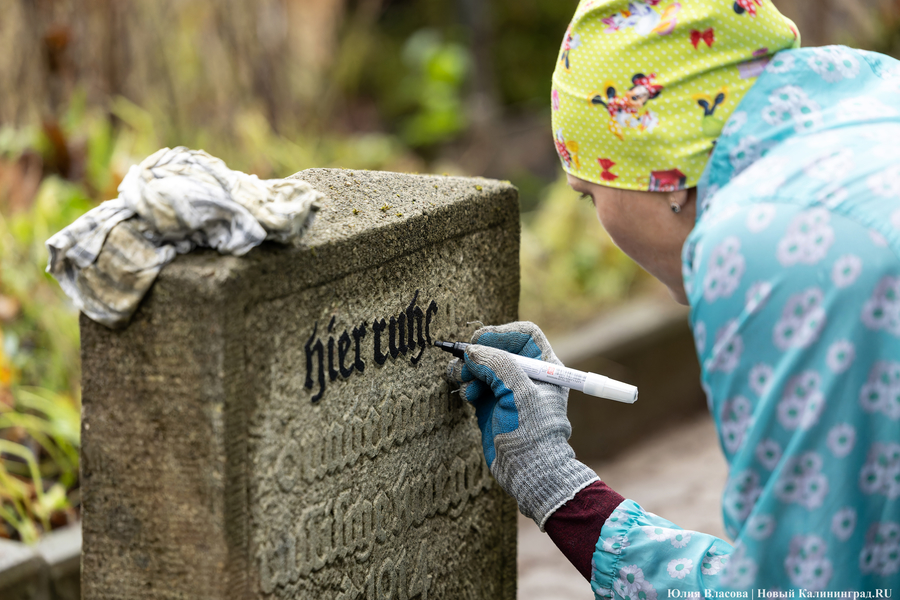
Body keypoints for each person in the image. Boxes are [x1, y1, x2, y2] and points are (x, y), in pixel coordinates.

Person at [447, 0, 900, 594]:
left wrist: (559, 488)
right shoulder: (875, 113)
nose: (596, 213)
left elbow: (803, 588)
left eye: (588, 193)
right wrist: (568, 495)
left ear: (660, 170)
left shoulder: (768, 238)